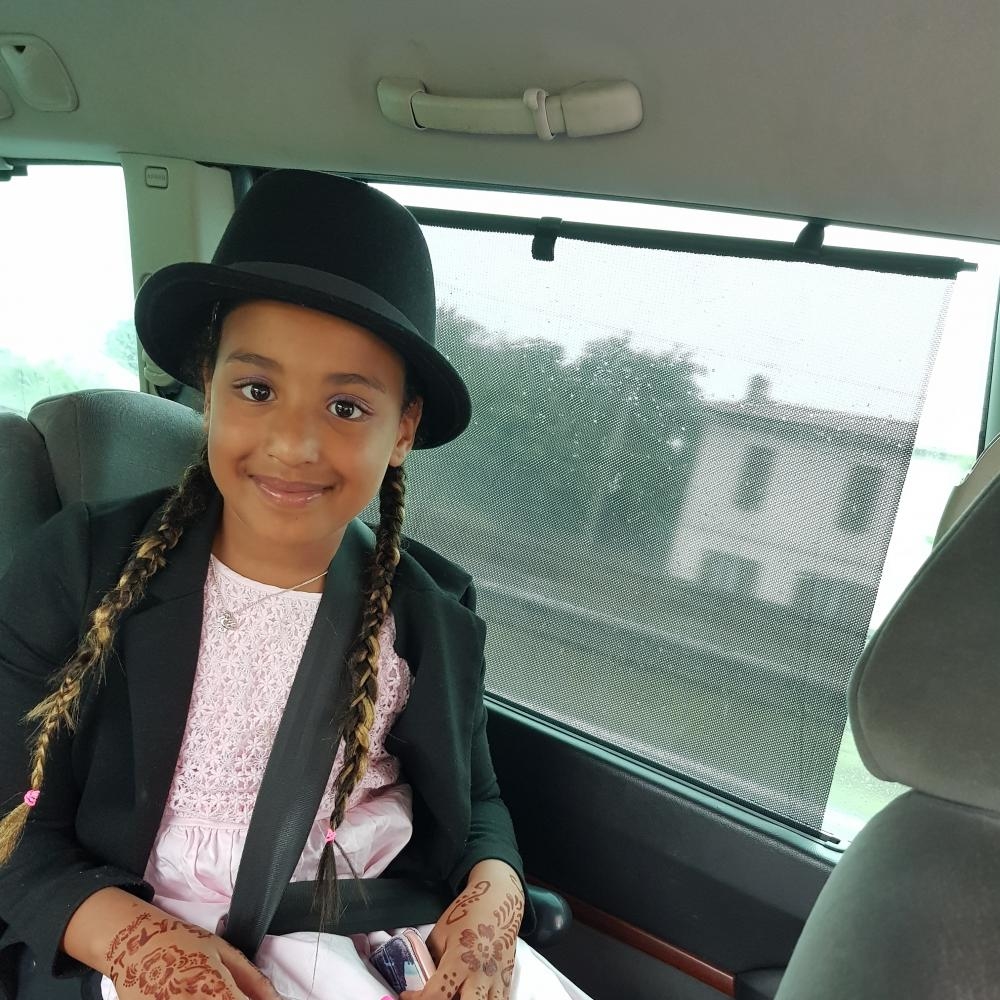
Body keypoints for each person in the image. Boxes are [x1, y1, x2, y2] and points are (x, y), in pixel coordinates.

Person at [0, 170, 590, 1000]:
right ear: (208, 387)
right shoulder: (84, 567)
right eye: (257, 390)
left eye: (346, 407)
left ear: (402, 430)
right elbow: (15, 828)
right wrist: (141, 947)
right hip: (141, 943)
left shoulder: (428, 610)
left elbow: (477, 800)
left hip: (391, 944)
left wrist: (495, 896)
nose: (293, 444)